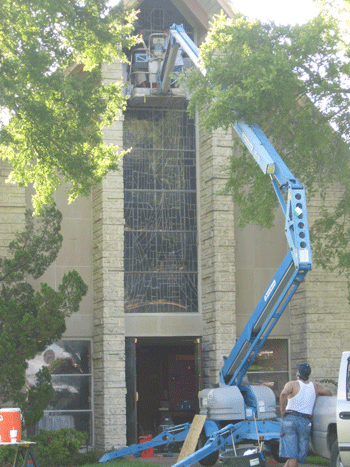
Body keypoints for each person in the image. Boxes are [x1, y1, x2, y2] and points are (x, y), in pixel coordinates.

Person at [279, 363, 332, 467]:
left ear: (298, 374)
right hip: (305, 421)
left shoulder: (292, 384)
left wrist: (282, 411)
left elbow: (284, 394)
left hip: (291, 418)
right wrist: (316, 395)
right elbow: (329, 392)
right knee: (297, 454)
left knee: (292, 454)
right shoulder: (315, 386)